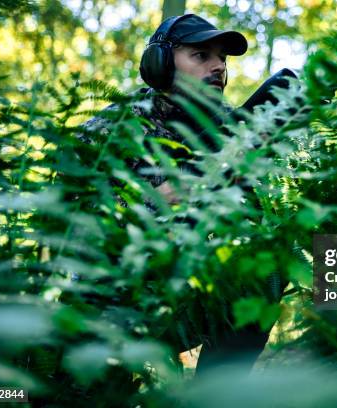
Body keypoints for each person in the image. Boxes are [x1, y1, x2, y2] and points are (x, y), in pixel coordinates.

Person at [80, 14, 274, 376]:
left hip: (184, 299)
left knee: (265, 269)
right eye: (201, 56)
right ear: (160, 65)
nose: (218, 66)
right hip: (108, 309)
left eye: (223, 59)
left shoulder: (235, 127)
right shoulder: (113, 128)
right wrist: (159, 195)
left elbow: (254, 222)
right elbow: (70, 222)